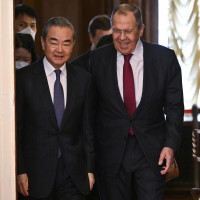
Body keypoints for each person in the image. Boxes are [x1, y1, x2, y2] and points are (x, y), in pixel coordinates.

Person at [90, 4, 184, 200]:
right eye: (117, 30)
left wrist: (170, 145)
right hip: (110, 153)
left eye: (128, 31)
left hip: (151, 152)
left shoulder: (164, 59)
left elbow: (174, 107)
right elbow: (91, 110)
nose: (122, 37)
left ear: (141, 30)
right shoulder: (97, 59)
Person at [16, 16, 95, 200]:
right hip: (36, 174)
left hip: (73, 175)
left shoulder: (84, 79)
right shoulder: (24, 78)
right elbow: (18, 130)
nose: (60, 50)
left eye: (66, 43)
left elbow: (88, 130)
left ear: (73, 44)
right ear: (42, 42)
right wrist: (20, 170)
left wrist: (90, 169)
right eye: (54, 42)